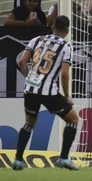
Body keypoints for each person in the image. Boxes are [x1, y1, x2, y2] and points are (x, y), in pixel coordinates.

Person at [11, 16, 80, 171]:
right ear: (67, 31)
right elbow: (64, 74)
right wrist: (67, 95)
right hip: (49, 91)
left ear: (52, 27)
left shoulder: (36, 40)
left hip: (31, 89)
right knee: (73, 119)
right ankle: (63, 158)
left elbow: (22, 61)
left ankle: (18, 160)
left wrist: (30, 78)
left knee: (29, 123)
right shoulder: (66, 46)